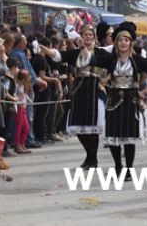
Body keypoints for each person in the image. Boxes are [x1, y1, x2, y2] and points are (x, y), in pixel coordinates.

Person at [43, 24, 112, 169]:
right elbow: (60, 56)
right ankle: (89, 155)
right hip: (80, 90)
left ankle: (93, 159)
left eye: (90, 34)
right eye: (85, 34)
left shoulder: (101, 53)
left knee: (93, 127)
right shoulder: (75, 53)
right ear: (81, 37)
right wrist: (48, 51)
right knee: (79, 127)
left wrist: (106, 79)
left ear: (94, 37)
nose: (88, 37)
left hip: (96, 91)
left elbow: (114, 65)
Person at [103, 26, 147, 179]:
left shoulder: (137, 60)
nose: (123, 43)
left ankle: (129, 168)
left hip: (131, 100)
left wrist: (145, 91)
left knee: (130, 136)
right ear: (116, 43)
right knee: (113, 135)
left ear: (131, 43)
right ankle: (117, 166)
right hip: (114, 99)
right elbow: (97, 71)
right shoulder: (110, 60)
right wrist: (103, 81)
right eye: (120, 40)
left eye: (126, 40)